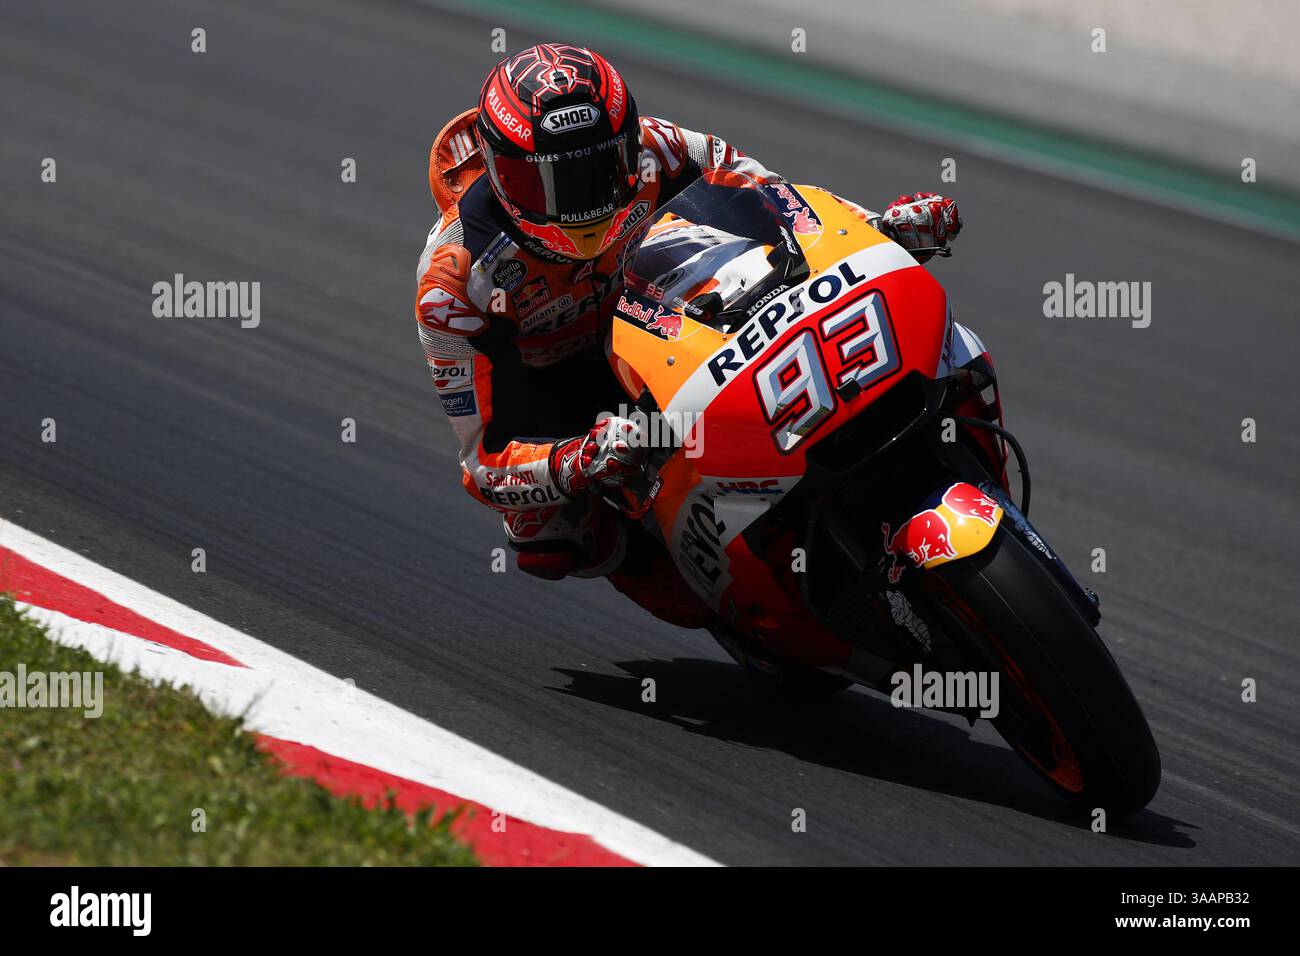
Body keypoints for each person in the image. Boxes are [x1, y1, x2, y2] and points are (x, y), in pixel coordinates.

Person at [414, 43, 962, 627]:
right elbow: (483, 462)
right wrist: (577, 461)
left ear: (626, 140)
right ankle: (706, 594)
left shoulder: (662, 148)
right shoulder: (453, 279)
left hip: (679, 316)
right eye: (547, 183)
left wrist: (877, 229)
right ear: (501, 177)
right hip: (561, 391)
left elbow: (785, 205)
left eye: (598, 168)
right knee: (545, 534)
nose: (582, 201)